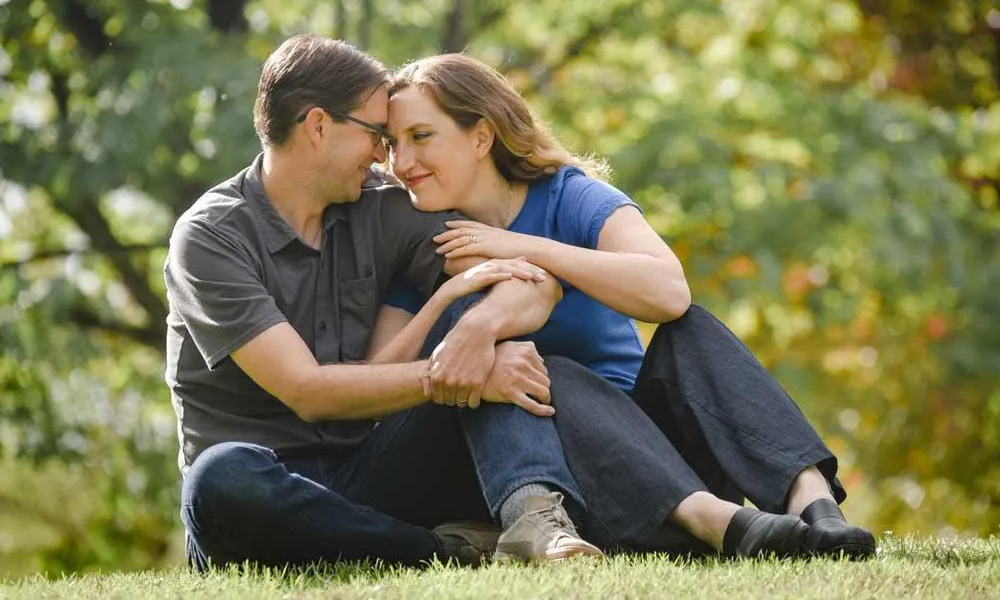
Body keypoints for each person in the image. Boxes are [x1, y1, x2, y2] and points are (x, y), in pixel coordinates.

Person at [376, 53, 877, 559]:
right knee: (550, 372)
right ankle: (713, 525)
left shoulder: (567, 196)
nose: (402, 163)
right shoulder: (423, 241)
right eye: (393, 144)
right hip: (555, 485)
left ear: (481, 137)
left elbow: (668, 291)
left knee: (692, 329)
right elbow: (378, 387)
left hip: (658, 462)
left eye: (421, 136)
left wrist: (526, 247)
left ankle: (815, 508)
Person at [162, 34, 608, 571]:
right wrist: (453, 372)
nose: (385, 156)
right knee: (220, 477)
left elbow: (531, 281)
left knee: (483, 326)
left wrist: (477, 334)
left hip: (369, 471)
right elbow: (308, 392)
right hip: (265, 494)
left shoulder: (381, 204)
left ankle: (535, 520)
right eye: (376, 133)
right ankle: (439, 551)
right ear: (319, 126)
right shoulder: (212, 236)